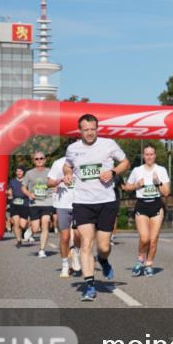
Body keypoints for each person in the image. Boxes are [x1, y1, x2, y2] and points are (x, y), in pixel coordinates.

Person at [64, 113, 130, 302]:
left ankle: (103, 260)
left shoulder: (108, 144)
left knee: (103, 246)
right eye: (86, 130)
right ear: (80, 131)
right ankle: (89, 285)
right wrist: (68, 174)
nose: (90, 133)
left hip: (106, 201)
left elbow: (126, 162)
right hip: (83, 202)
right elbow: (67, 166)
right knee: (86, 243)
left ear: (97, 128)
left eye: (93, 129)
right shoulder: (72, 149)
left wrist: (113, 171)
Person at [123, 145, 170, 277]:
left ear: (155, 156)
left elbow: (166, 193)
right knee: (144, 238)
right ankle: (140, 259)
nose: (149, 157)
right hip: (142, 205)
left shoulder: (161, 170)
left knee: (153, 239)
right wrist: (136, 185)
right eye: (147, 154)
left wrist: (158, 183)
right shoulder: (137, 170)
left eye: (151, 154)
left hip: (156, 205)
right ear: (143, 156)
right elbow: (127, 187)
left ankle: (149, 264)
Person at [48, 151, 82, 278]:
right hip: (62, 205)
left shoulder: (84, 160)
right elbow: (49, 182)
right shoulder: (58, 163)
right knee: (65, 237)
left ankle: (76, 256)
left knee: (79, 234)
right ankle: (65, 265)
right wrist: (60, 180)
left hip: (80, 203)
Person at [22, 151, 55, 258]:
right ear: (33, 161)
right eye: (37, 159)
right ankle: (30, 229)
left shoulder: (51, 172)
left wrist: (56, 189)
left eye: (41, 158)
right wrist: (29, 194)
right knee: (36, 228)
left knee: (46, 222)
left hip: (47, 201)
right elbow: (23, 187)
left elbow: (56, 183)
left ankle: (42, 250)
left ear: (45, 160)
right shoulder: (29, 173)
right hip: (34, 203)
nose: (39, 160)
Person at [6, 166, 31, 248]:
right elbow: (9, 191)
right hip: (15, 204)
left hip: (25, 204)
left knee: (23, 225)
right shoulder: (12, 181)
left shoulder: (27, 181)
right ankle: (19, 240)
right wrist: (9, 195)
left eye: (20, 171)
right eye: (17, 171)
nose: (18, 173)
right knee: (16, 223)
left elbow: (30, 191)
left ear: (23, 172)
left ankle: (24, 231)